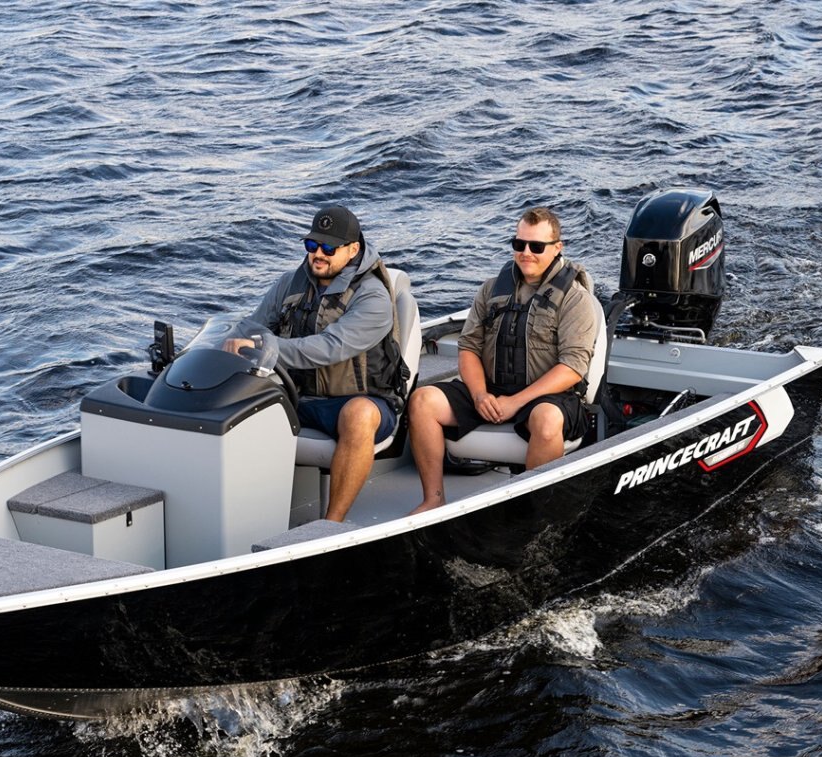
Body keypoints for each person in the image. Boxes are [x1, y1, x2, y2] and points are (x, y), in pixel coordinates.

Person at [408, 207, 601, 515]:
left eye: (536, 246)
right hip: (493, 390)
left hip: (548, 397)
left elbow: (572, 367)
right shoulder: (491, 290)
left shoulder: (575, 299)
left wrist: (515, 402)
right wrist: (479, 395)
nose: (526, 252)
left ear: (557, 248)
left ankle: (535, 513)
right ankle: (433, 500)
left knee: (547, 420)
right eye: (519, 244)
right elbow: (469, 347)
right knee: (422, 401)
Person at [226, 205, 404, 522]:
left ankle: (331, 524)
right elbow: (252, 327)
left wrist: (264, 348)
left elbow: (328, 348)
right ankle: (244, 518)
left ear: (353, 250)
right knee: (233, 406)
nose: (318, 254)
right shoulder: (290, 283)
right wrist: (224, 346)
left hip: (362, 400)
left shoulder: (373, 297)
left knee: (359, 415)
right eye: (312, 245)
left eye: (329, 248)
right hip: (299, 396)